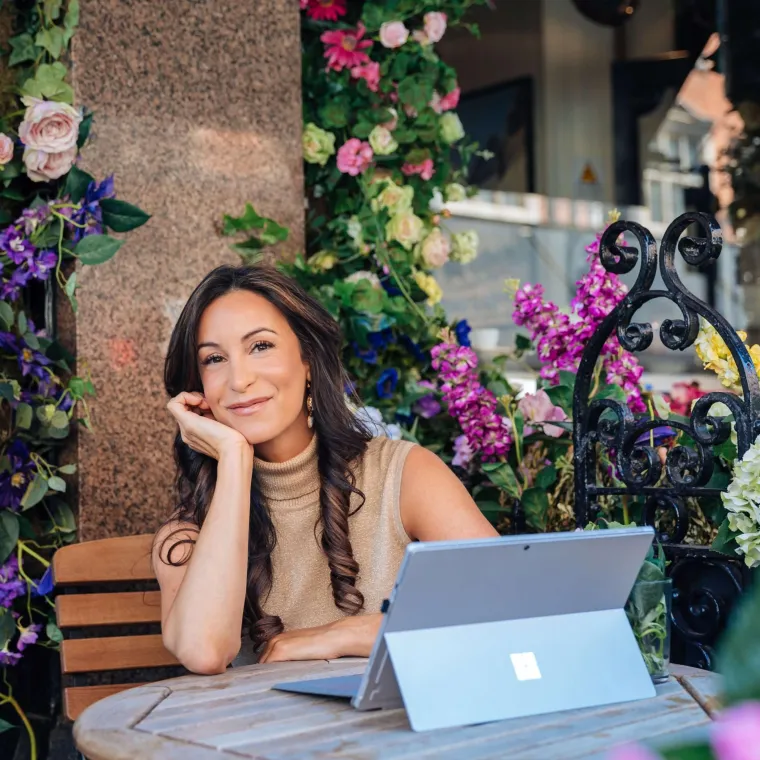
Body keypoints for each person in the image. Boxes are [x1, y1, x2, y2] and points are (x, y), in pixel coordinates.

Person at [153, 265, 497, 675]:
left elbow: (509, 601)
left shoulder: (403, 475)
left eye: (260, 346)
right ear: (198, 389)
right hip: (265, 736)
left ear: (308, 361)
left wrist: (344, 635)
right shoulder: (187, 535)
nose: (239, 379)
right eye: (214, 359)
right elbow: (205, 653)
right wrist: (233, 459)